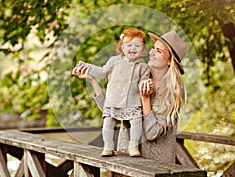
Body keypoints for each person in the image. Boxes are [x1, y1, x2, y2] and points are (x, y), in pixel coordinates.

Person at [73, 30, 187, 164]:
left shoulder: (173, 91)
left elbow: (152, 133)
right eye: (153, 48)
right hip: (125, 159)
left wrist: (145, 99)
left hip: (156, 165)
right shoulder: (138, 75)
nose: (151, 52)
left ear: (169, 60)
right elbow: (111, 109)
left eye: (159, 51)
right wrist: (93, 81)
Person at [73, 28, 150, 157]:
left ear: (143, 49)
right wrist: (87, 67)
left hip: (132, 101)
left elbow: (144, 81)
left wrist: (145, 85)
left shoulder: (143, 67)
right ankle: (108, 145)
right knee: (108, 121)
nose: (133, 48)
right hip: (113, 99)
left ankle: (133, 145)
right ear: (122, 47)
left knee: (136, 121)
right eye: (129, 45)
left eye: (137, 46)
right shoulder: (114, 61)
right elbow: (102, 72)